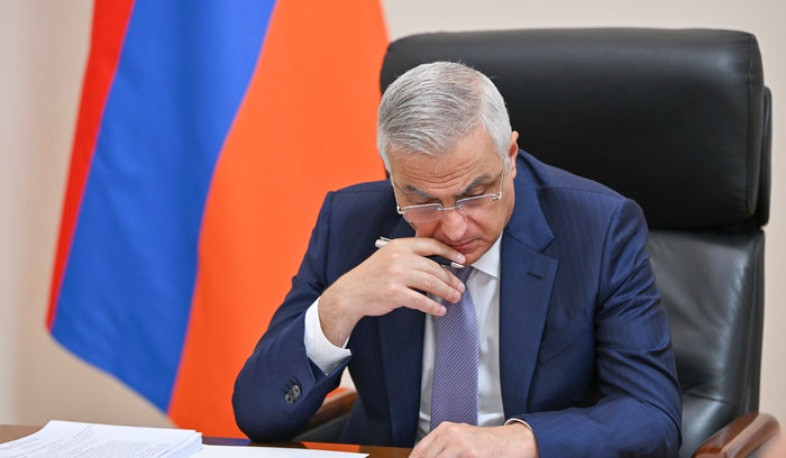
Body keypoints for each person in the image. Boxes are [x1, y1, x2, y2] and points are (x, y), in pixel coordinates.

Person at [233, 62, 682, 456]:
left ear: (510, 157)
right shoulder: (349, 224)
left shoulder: (599, 228)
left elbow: (651, 414)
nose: (453, 228)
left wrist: (516, 442)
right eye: (423, 201)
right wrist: (341, 303)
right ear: (392, 177)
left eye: (475, 194)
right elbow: (258, 415)